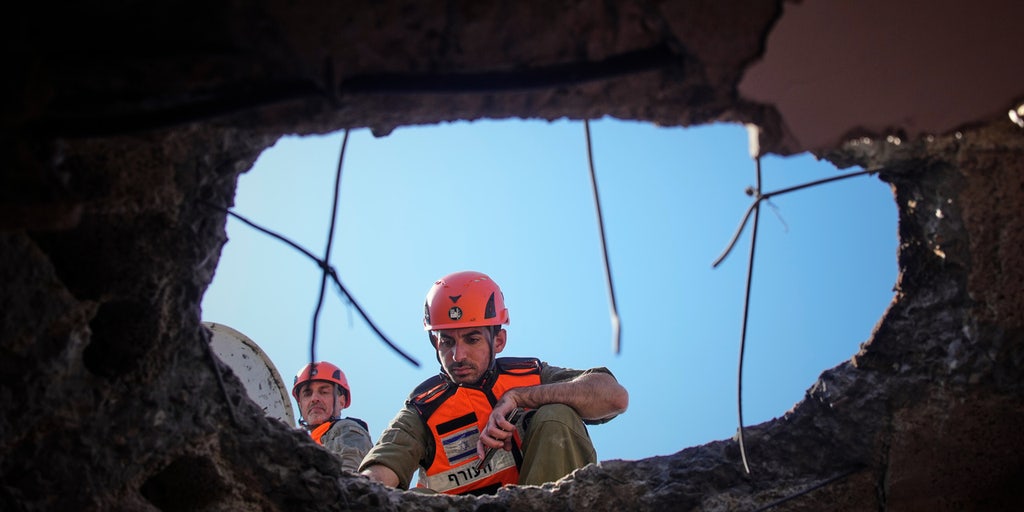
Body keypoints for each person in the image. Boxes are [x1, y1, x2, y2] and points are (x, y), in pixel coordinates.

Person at [359, 270, 629, 495]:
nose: (457, 355)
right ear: (434, 343)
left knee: (557, 414)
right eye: (447, 342)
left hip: (538, 504)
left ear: (498, 341)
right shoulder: (423, 408)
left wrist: (519, 397)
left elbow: (614, 397)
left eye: (472, 339)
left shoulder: (531, 375)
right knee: (415, 498)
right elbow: (379, 473)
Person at [292, 361, 372, 473]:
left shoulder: (346, 429)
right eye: (307, 394)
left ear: (341, 401)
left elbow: (349, 474)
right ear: (300, 405)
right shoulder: (299, 445)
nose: (314, 398)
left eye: (324, 392)